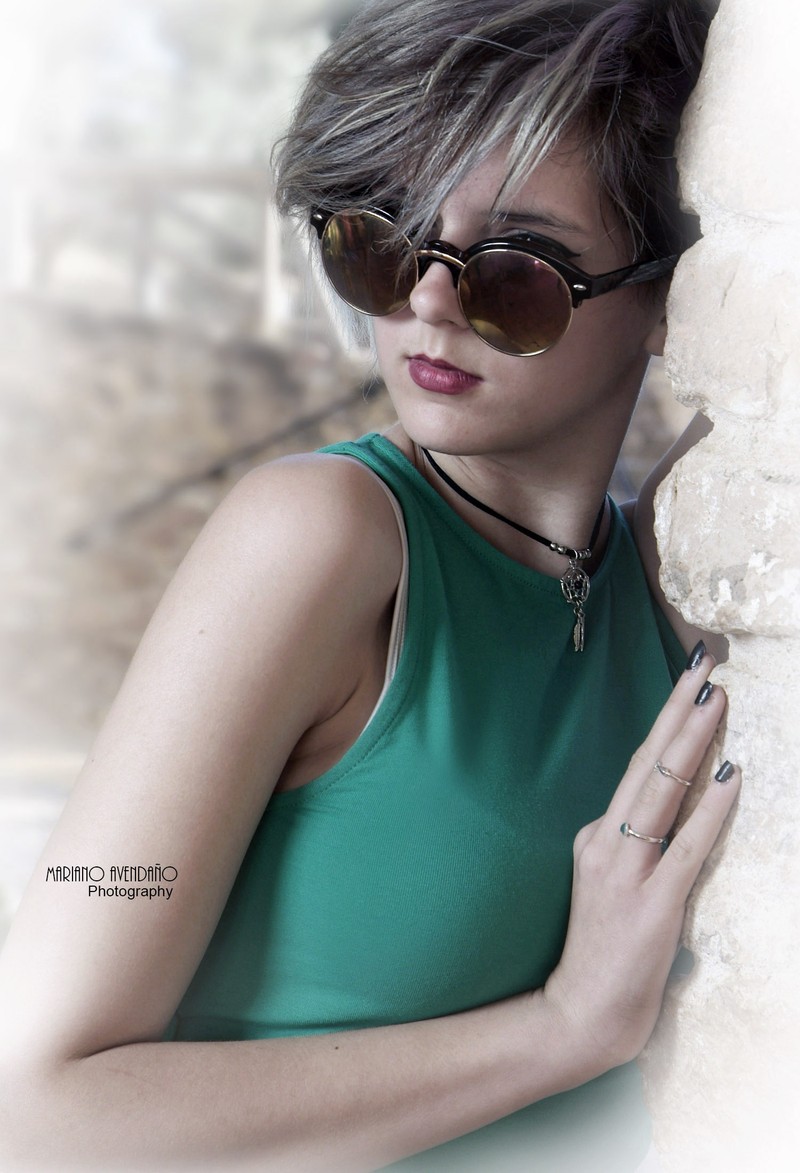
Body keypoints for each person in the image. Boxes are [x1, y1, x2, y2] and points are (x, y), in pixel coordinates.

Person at [0, 1, 739, 1170]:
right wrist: (560, 1030)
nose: (427, 305)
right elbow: (34, 1110)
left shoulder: (671, 574)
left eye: (515, 272)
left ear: (663, 297)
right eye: (382, 246)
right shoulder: (320, 539)